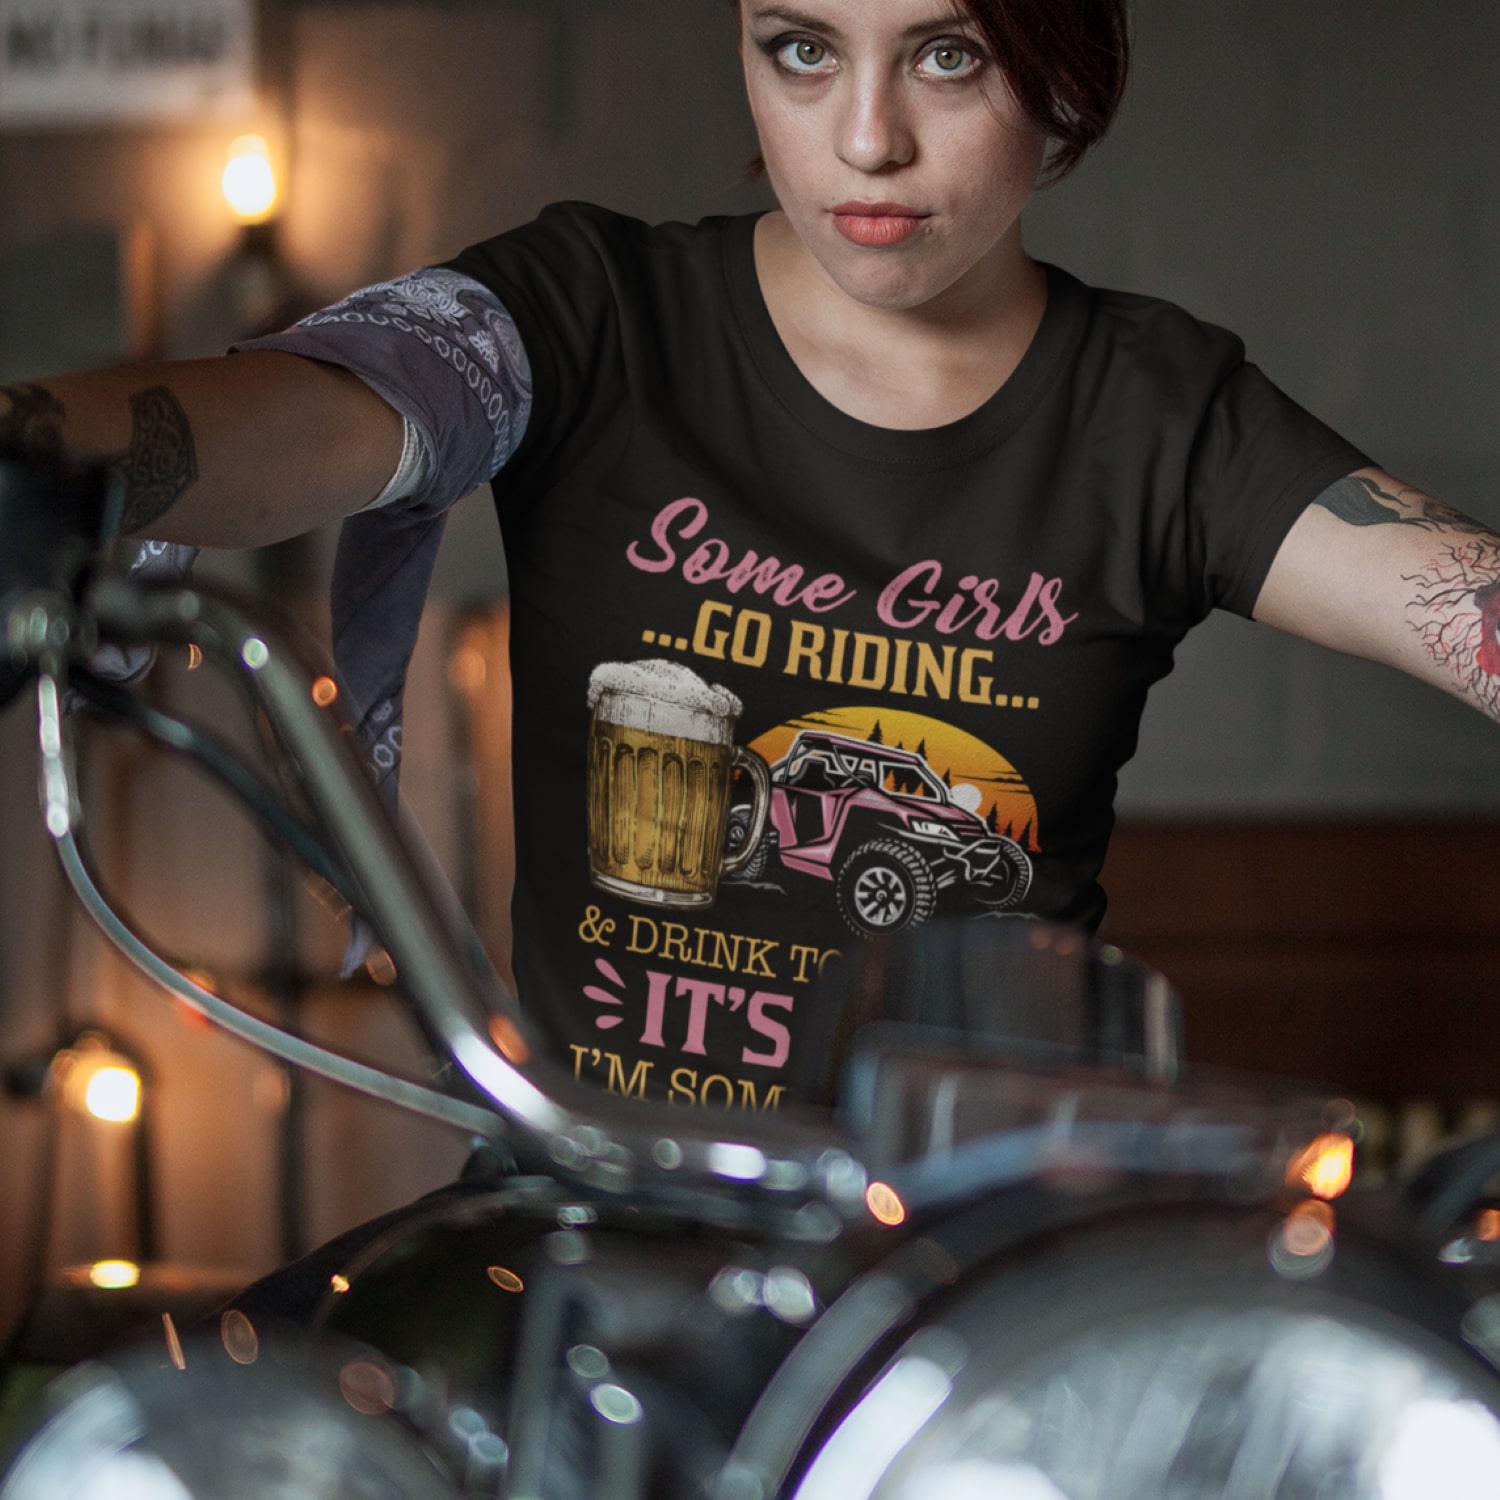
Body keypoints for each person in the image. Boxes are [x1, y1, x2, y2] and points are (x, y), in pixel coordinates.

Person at [3, 0, 1497, 1115]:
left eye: (949, 54)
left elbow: (1454, 600)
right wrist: (31, 451)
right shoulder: (591, 316)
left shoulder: (1157, 417)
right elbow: (296, 418)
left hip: (966, 1255)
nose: (866, 139)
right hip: (603, 1209)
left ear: (1064, 71)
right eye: (801, 49)